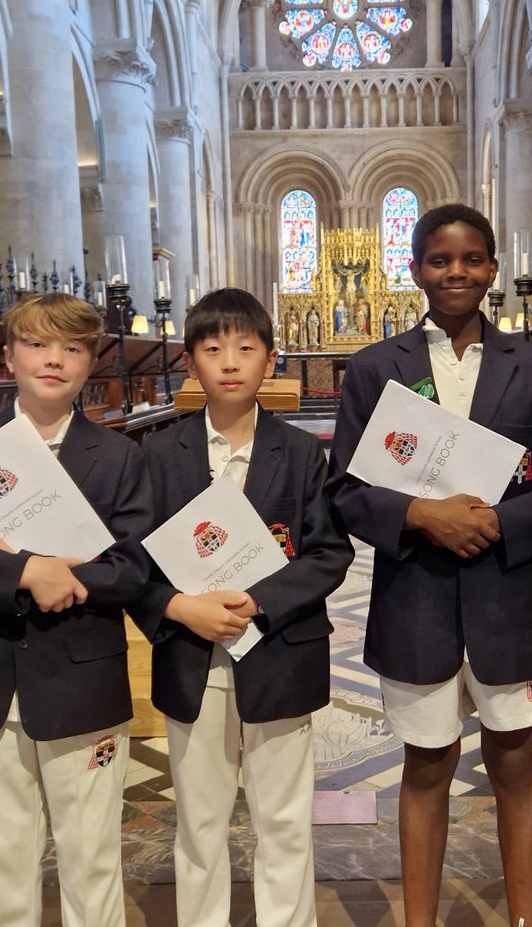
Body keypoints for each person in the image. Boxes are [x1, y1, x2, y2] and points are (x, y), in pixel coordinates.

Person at [326, 203, 532, 927]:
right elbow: (346, 488)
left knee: (516, 763)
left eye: (471, 259)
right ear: (415, 271)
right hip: (417, 595)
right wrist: (420, 515)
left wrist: (498, 520)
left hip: (508, 596)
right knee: (427, 765)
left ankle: (525, 920)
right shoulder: (376, 368)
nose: (456, 272)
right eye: (439, 260)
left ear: (493, 269)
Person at [0, 292, 153, 927]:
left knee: (91, 855)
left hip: (81, 677)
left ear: (90, 362)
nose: (54, 359)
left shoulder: (119, 455)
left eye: (72, 347)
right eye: (38, 344)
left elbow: (132, 569)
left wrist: (54, 575)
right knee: (1, 854)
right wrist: (23, 572)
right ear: (10, 357)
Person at [132, 288, 353, 927]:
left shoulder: (302, 452)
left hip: (280, 653)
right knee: (199, 820)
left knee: (283, 818)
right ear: (189, 362)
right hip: (191, 657)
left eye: (246, 348)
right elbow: (133, 564)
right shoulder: (158, 454)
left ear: (271, 360)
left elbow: (329, 552)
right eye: (212, 349)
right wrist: (179, 607)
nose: (230, 362)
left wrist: (258, 599)